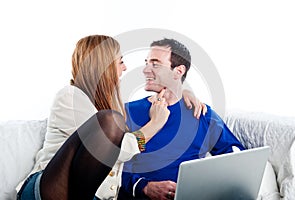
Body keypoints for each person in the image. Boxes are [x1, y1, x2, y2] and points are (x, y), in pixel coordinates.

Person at [16, 35, 206, 200]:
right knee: (110, 120)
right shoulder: (71, 97)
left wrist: (182, 91)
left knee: (111, 118)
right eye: (120, 61)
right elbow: (112, 153)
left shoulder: (112, 104)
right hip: (52, 189)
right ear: (104, 66)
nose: (125, 68)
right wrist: (154, 124)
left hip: (91, 195)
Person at [118, 38, 246, 200]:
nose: (145, 70)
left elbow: (235, 155)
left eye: (155, 64)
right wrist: (145, 187)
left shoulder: (201, 113)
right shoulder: (128, 112)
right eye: (146, 62)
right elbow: (115, 165)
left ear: (178, 71)